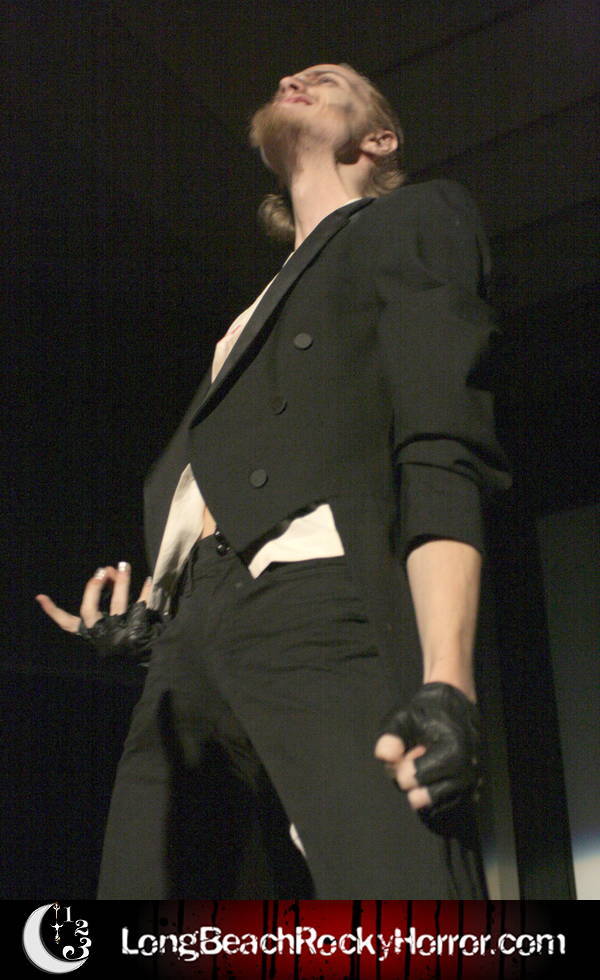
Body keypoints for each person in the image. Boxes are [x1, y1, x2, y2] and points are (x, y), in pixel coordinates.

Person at [36, 63, 511, 899]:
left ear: (379, 139)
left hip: (313, 596)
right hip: (190, 644)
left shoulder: (414, 216)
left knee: (396, 894)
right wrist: (149, 623)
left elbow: (443, 438)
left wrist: (447, 678)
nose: (293, 76)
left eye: (327, 79)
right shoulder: (248, 318)